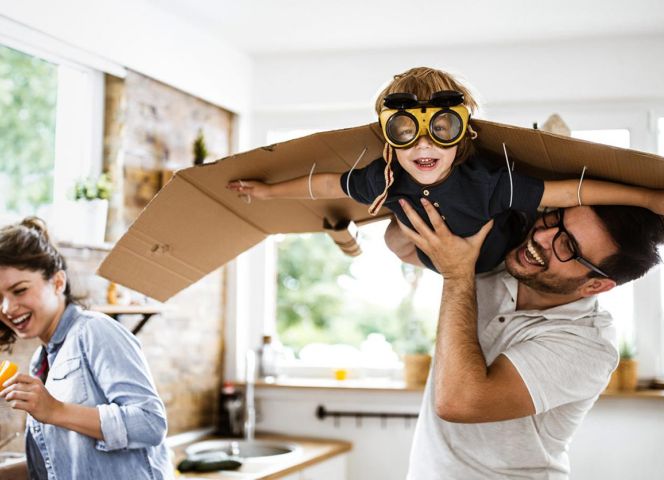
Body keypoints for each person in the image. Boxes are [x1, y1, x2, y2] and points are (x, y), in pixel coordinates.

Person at [227, 66, 664, 273]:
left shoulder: (489, 184)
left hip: (491, 264)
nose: (423, 145)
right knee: (391, 237)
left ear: (464, 135)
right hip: (430, 258)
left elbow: (571, 193)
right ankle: (350, 235)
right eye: (405, 130)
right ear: (388, 140)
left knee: (398, 230)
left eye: (442, 128)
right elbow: (324, 183)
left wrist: (646, 197)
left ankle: (357, 233)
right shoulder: (385, 177)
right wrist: (267, 193)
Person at [394, 199, 664, 479]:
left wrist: (457, 274)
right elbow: (400, 243)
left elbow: (458, 401)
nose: (542, 237)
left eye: (567, 246)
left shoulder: (589, 346)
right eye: (555, 218)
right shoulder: (500, 260)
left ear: (595, 285)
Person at [0, 218, 173, 479]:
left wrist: (56, 410)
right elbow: (54, 467)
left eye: (20, 290)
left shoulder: (94, 331)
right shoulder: (42, 361)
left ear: (58, 283)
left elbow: (150, 423)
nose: (7, 308)